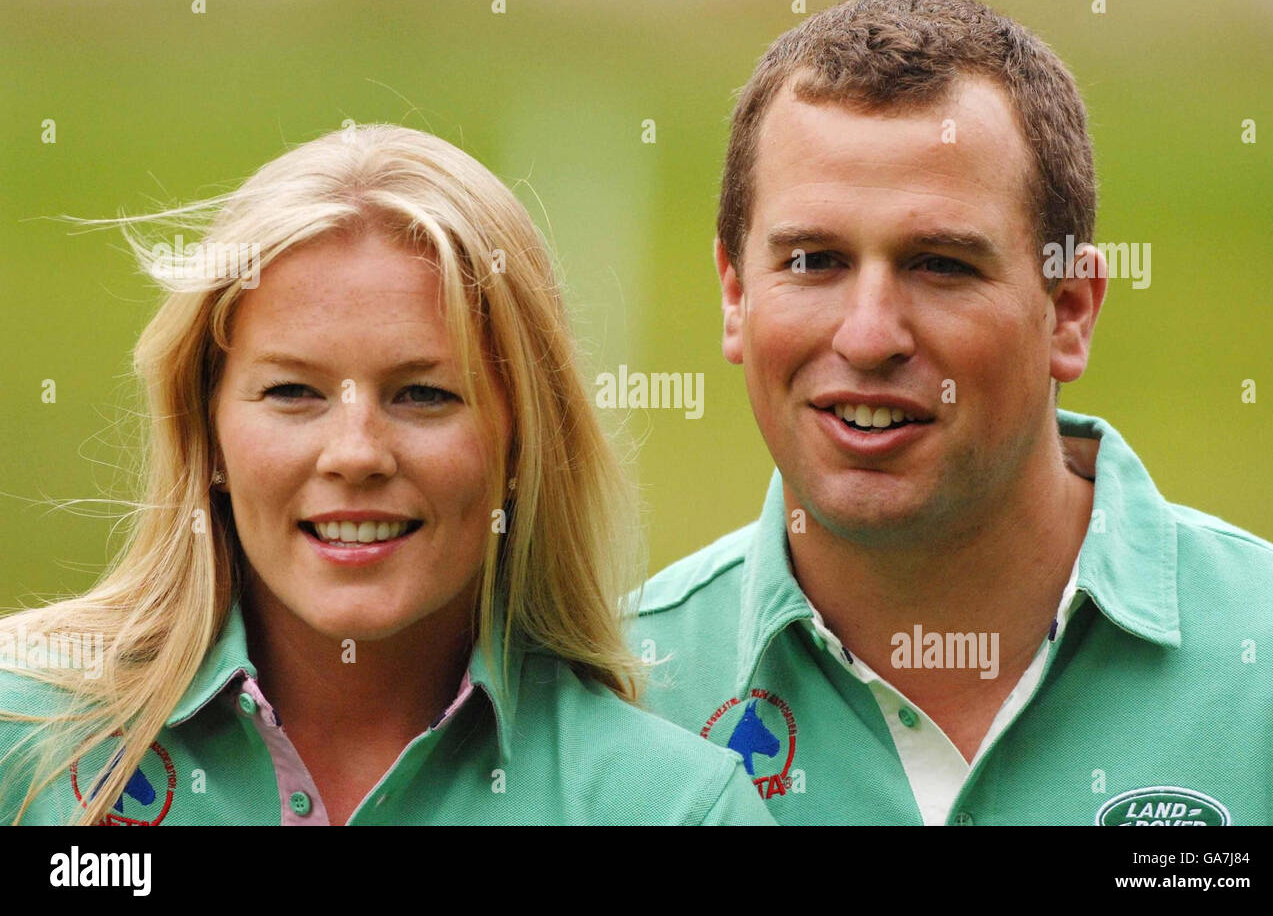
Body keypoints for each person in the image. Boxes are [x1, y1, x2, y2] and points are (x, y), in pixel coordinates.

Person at [632, 0, 1273, 825]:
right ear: (735, 296)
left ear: (1069, 311)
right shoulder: (622, 694)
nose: (870, 336)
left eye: (941, 265)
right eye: (813, 260)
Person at [0, 123, 774, 825]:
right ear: (207, 434)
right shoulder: (24, 737)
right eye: (293, 391)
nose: (357, 452)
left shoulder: (672, 807)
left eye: (424, 394)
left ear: (520, 444)